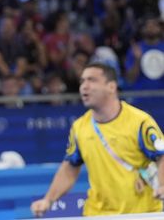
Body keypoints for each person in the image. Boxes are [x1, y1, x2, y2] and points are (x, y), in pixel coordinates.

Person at [30, 62, 164, 217]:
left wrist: (162, 185)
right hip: (97, 213)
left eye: (91, 80)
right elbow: (69, 168)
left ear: (111, 87)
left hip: (141, 212)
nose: (84, 86)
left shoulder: (140, 121)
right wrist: (48, 200)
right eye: (82, 81)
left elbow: (162, 155)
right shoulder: (79, 127)